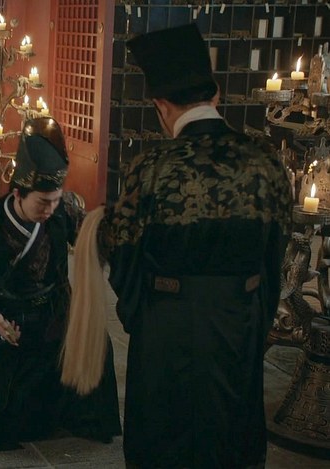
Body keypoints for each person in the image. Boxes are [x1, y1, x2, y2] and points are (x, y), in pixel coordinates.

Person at [91, 24, 292, 467]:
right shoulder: (264, 160)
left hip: (168, 324)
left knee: (166, 440)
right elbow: (276, 251)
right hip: (239, 319)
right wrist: (253, 314)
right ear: (215, 95)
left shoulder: (152, 165)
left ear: (161, 106)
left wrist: (141, 312)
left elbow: (123, 251)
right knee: (230, 437)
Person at [0, 117, 121, 452]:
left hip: (55, 309)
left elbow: (93, 239)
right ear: (18, 193)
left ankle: (87, 420)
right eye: (42, 202)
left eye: (55, 200)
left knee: (97, 343)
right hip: (8, 317)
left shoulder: (62, 211)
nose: (50, 209)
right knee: (6, 404)